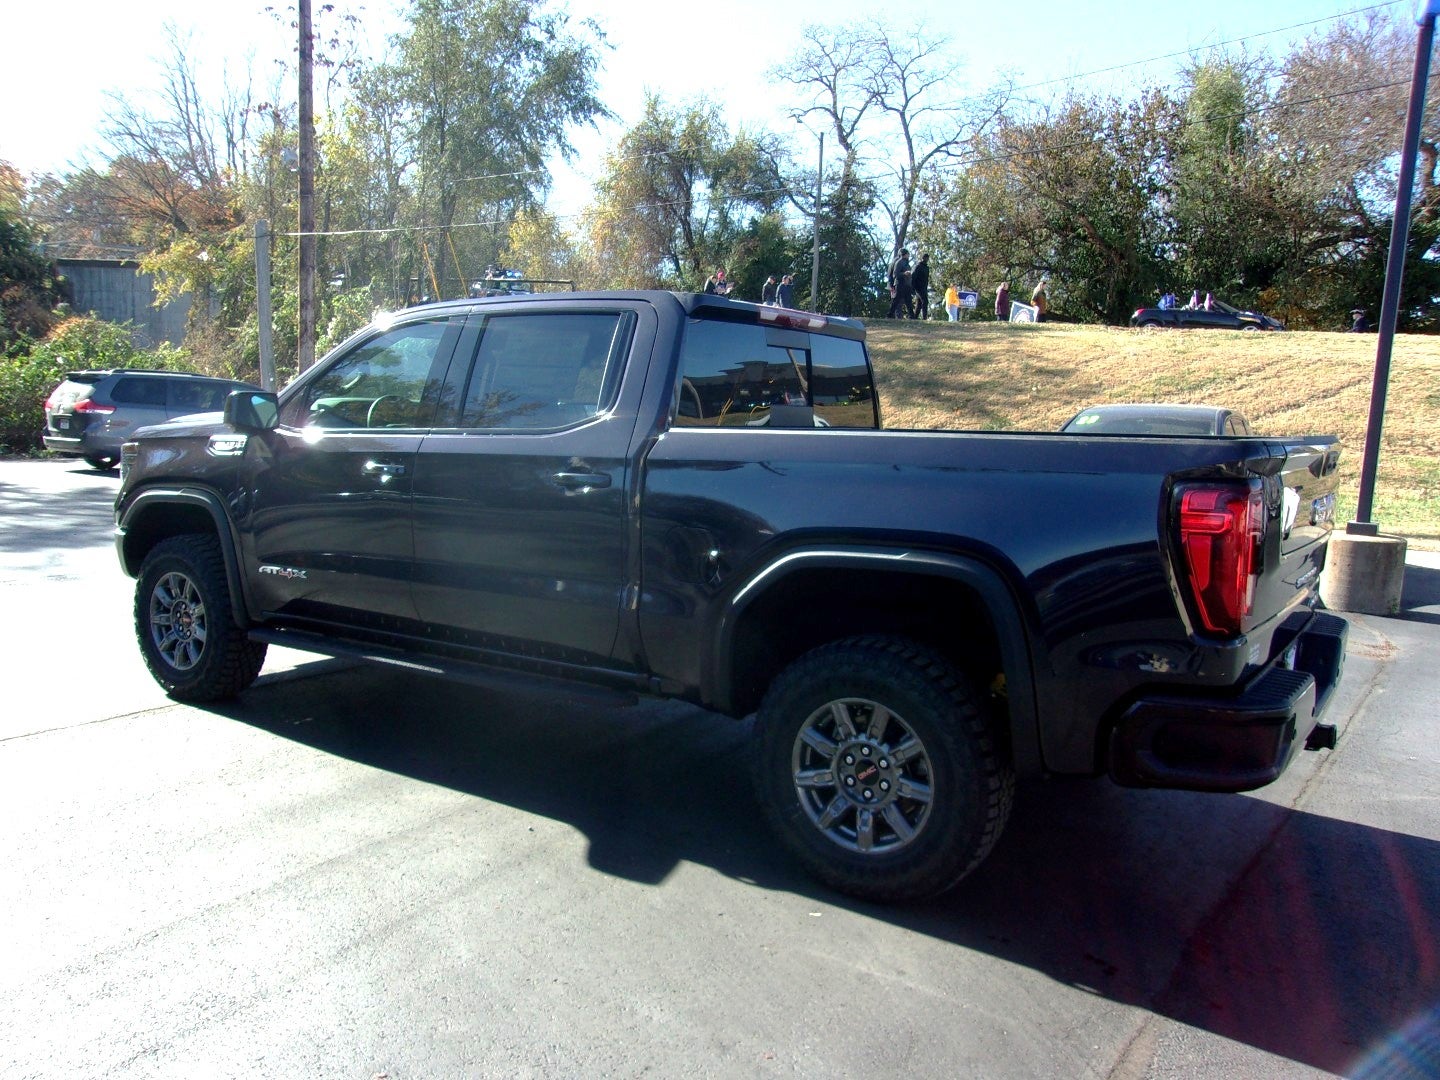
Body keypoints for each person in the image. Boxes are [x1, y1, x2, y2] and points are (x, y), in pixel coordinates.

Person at [887, 248, 913, 318]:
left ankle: (912, 316)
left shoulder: (907, 263)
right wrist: (904, 273)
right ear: (905, 254)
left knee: (908, 301)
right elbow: (895, 274)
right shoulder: (899, 262)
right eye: (908, 254)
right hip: (900, 284)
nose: (909, 255)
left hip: (906, 284)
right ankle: (890, 314)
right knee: (896, 300)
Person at [910, 252, 931, 320]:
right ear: (922, 258)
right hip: (918, 288)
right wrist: (913, 288)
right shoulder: (918, 266)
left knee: (919, 304)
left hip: (924, 287)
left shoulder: (926, 268)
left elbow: (926, 279)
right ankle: (924, 317)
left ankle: (915, 317)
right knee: (925, 301)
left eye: (927, 258)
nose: (926, 259)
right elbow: (913, 277)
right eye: (925, 258)